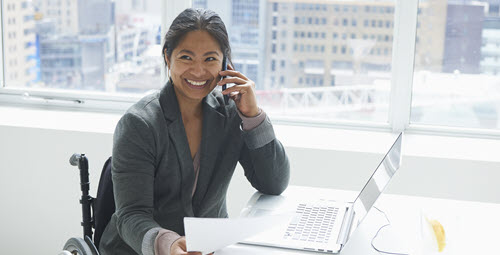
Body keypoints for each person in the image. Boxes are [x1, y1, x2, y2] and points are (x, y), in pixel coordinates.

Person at [99, 8, 290, 255]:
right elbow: (131, 215)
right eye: (186, 58)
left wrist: (252, 116)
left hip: (210, 248)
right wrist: (168, 244)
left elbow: (273, 183)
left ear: (225, 63)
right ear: (168, 57)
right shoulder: (139, 123)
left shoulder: (232, 113)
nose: (198, 71)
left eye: (210, 59)